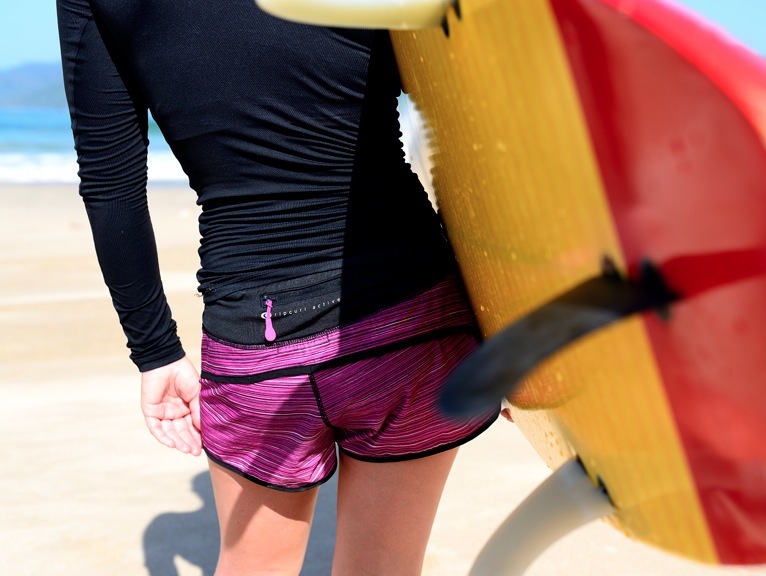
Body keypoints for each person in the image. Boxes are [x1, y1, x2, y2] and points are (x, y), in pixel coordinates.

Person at [57, 0, 499, 573]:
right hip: (408, 317)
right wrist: (503, 308)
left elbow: (110, 183)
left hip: (254, 345)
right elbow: (467, 113)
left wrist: (155, 350)